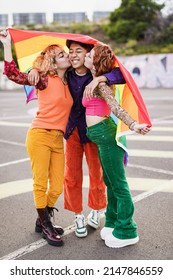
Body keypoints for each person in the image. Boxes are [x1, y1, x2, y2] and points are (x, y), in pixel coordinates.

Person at [28, 39, 126, 238]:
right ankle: (77, 215)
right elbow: (45, 65)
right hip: (71, 131)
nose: (72, 55)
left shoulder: (98, 74)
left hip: (93, 131)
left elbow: (121, 74)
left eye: (78, 51)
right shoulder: (67, 74)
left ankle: (97, 210)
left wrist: (99, 79)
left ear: (88, 55)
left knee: (97, 174)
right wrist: (34, 69)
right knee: (71, 176)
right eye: (70, 51)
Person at [0, 30, 73, 247]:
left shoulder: (70, 80)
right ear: (53, 61)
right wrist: (6, 44)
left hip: (58, 140)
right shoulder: (43, 79)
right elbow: (12, 73)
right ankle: (46, 224)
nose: (67, 56)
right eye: (61, 55)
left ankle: (42, 220)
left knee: (58, 186)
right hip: (39, 135)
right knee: (40, 184)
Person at [82, 42, 150, 248]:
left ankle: (127, 229)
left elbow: (115, 107)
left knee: (119, 185)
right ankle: (112, 222)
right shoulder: (94, 80)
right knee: (110, 182)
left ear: (96, 60)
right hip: (101, 138)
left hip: (107, 137)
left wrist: (133, 124)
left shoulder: (100, 84)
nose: (85, 55)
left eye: (89, 54)